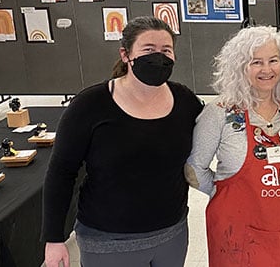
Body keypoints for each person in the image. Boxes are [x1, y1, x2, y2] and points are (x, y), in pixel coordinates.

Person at [42, 16, 203, 267]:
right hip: (107, 241)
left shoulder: (185, 102)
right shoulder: (90, 105)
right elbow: (61, 172)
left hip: (171, 235)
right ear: (126, 55)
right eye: (148, 50)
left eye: (166, 50)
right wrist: (53, 238)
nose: (158, 57)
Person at [185, 26, 280, 266]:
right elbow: (194, 169)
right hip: (238, 235)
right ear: (239, 67)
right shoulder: (219, 113)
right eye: (256, 62)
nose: (267, 70)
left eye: (273, 60)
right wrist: (224, 193)